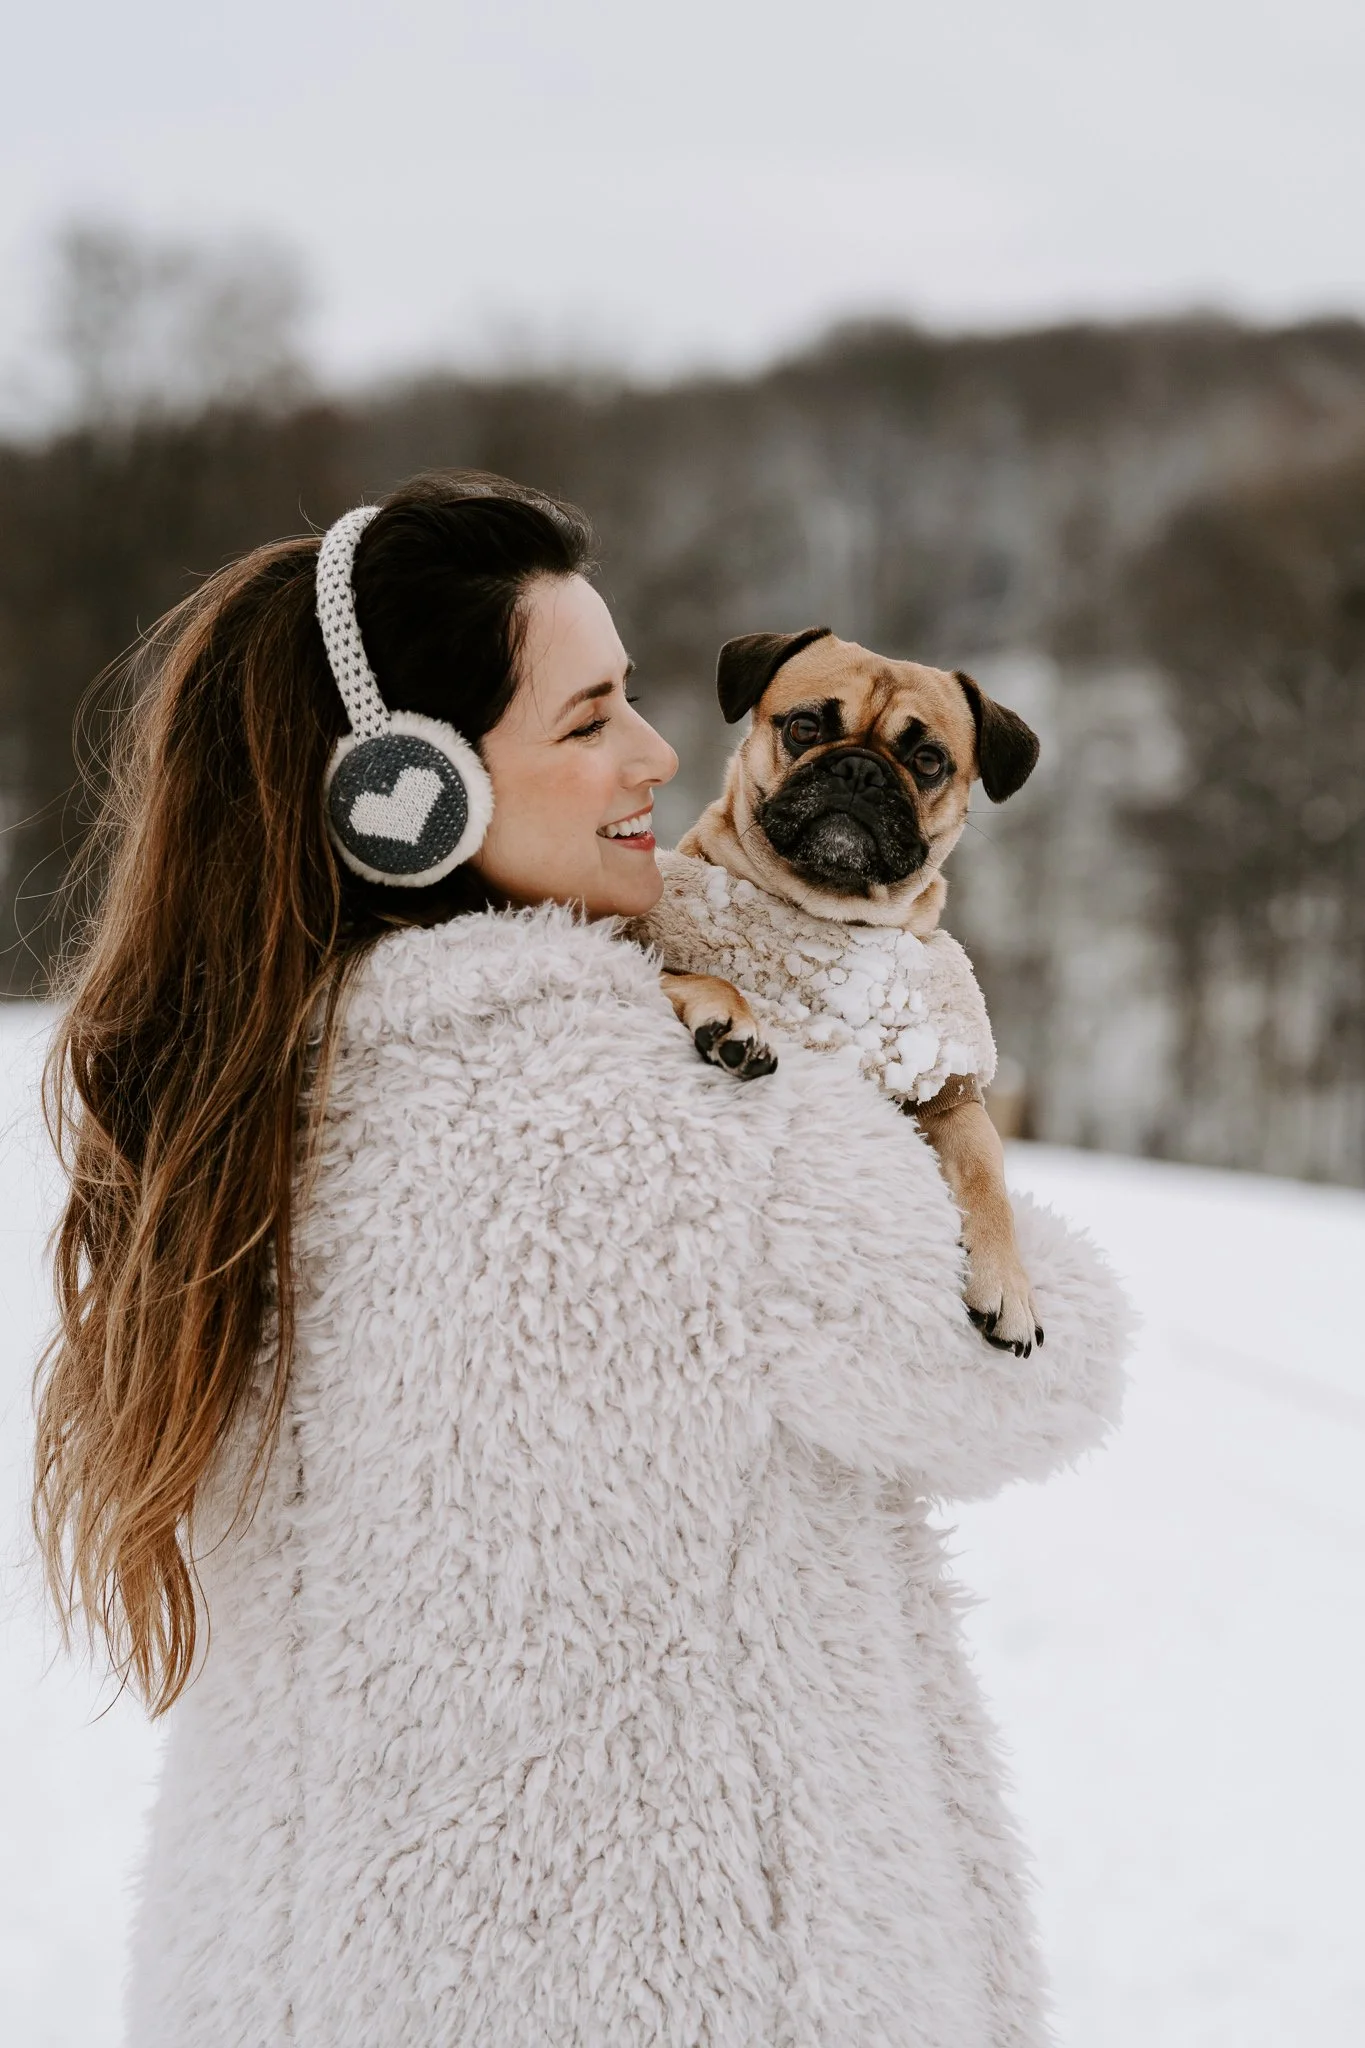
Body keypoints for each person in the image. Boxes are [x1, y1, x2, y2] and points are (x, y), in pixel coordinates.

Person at [33, 470, 1127, 2047]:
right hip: (645, 1975)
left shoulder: (227, 1093)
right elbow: (1035, 1368)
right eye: (591, 717)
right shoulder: (691, 1120)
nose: (661, 752)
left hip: (280, 1974)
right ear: (406, 785)